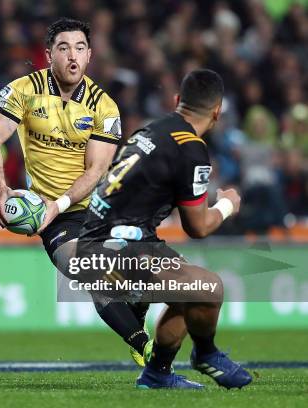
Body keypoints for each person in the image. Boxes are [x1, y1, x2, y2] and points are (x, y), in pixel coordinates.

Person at [0, 18, 152, 366]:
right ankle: (145, 347)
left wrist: (57, 205)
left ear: (89, 56)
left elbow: (96, 170)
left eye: (80, 47)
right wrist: (0, 187)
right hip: (56, 214)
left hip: (101, 205)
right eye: (63, 47)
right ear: (47, 55)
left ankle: (136, 317)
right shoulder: (23, 91)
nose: (72, 55)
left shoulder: (104, 107)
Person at [77, 69, 252, 389]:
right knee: (209, 287)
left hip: (107, 239)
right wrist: (227, 204)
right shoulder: (190, 147)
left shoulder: (154, 129)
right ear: (217, 110)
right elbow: (197, 227)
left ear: (176, 101)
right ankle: (206, 353)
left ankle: (157, 373)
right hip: (116, 247)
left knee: (190, 293)